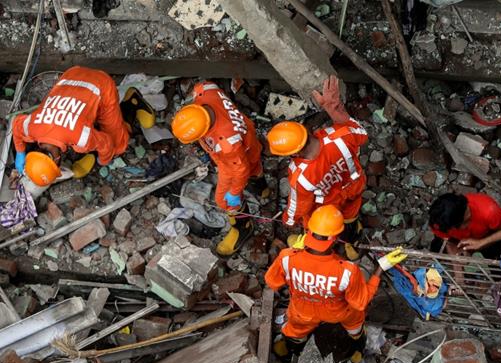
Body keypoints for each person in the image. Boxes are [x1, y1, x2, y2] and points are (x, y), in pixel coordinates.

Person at [265, 205, 406, 363]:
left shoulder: (286, 258)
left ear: (309, 231)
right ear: (336, 237)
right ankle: (356, 352)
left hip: (302, 311)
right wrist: (380, 268)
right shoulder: (347, 271)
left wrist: (295, 255)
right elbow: (360, 302)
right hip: (338, 312)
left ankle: (287, 351)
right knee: (355, 325)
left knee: (296, 331)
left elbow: (272, 281)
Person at [267, 75, 367, 260]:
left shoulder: (301, 176)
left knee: (313, 221)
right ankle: (352, 242)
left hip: (328, 206)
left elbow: (300, 205)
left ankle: (323, 244)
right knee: (351, 213)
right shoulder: (340, 136)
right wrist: (335, 109)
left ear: (294, 154)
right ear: (304, 130)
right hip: (354, 187)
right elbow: (361, 133)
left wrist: (289, 220)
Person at [12, 66, 154, 186]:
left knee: (118, 145)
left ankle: (133, 100)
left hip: (101, 84)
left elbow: (106, 143)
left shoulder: (81, 138)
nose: (59, 164)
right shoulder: (31, 128)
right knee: (90, 137)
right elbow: (16, 124)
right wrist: (20, 152)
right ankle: (94, 142)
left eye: (56, 164)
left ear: (53, 158)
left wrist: (103, 160)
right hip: (71, 75)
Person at [171, 81, 265, 256]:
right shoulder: (205, 90)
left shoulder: (226, 143)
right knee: (255, 167)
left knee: (224, 200)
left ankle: (244, 227)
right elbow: (204, 86)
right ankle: (262, 188)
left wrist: (235, 192)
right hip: (249, 139)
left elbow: (240, 169)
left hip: (235, 157)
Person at [428, 192, 501, 260]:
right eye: (466, 221)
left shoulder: (489, 211)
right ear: (452, 227)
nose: (470, 217)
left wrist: (483, 242)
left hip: (489, 237)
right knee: (438, 251)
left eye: (470, 216)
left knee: (498, 261)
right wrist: (459, 271)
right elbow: (449, 242)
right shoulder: (438, 223)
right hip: (460, 241)